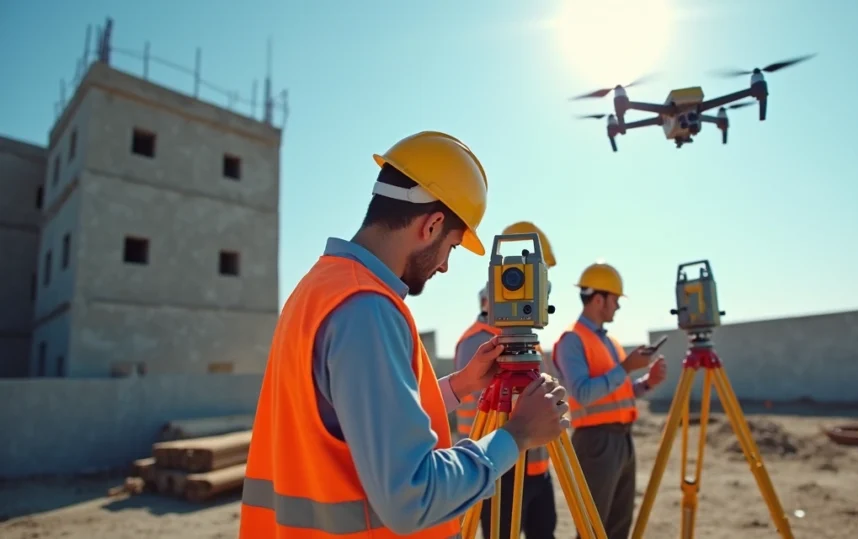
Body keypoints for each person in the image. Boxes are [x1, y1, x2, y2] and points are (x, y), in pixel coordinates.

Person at [238, 131, 571, 538]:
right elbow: (412, 497)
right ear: (431, 225)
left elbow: (359, 417)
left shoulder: (322, 288)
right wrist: (518, 435)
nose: (445, 267)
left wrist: (463, 384)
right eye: (451, 247)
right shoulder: (366, 308)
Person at [453, 221, 559, 539]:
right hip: (499, 460)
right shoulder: (477, 343)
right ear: (490, 296)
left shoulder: (530, 345)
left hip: (537, 462)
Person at [551, 261, 669, 539]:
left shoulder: (609, 341)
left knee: (618, 527)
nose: (617, 306)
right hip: (596, 443)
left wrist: (646, 383)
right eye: (615, 300)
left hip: (622, 440)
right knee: (593, 529)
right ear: (599, 298)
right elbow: (583, 393)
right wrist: (627, 367)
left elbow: (618, 391)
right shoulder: (572, 340)